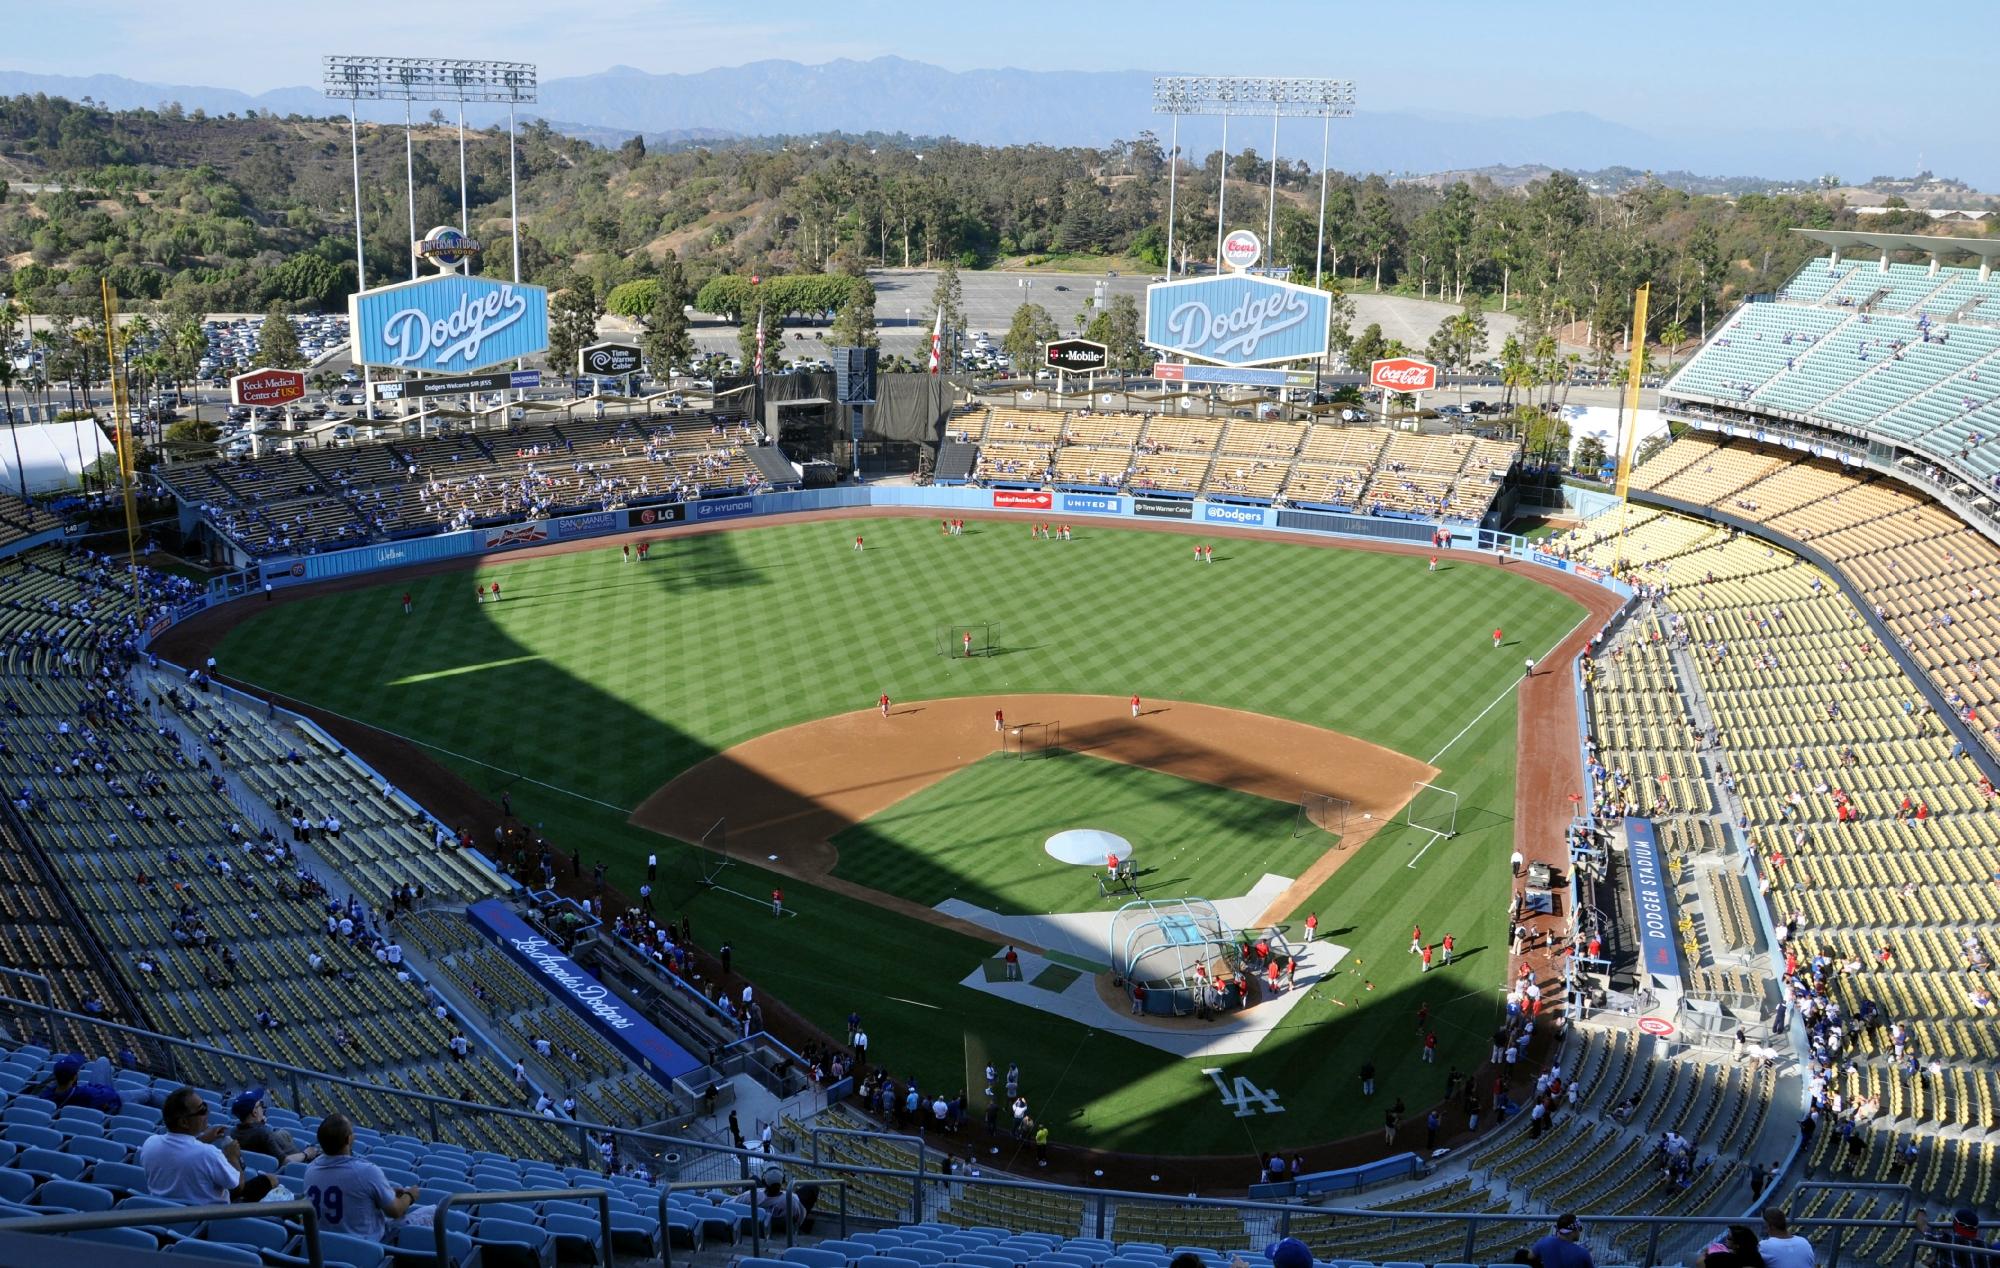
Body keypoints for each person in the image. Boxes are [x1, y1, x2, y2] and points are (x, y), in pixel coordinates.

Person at [141, 1085, 278, 1203]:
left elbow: (180, 1152)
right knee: (270, 1179)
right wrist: (233, 1157)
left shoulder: (150, 1143)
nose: (208, 1112)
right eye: (202, 1110)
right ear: (183, 1122)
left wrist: (202, 1139)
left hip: (168, 1213)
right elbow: (237, 1186)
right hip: (209, 1219)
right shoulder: (208, 1153)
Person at [303, 1113, 427, 1241]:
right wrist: (411, 1195)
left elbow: (349, 1196)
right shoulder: (366, 1171)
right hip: (365, 1246)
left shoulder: (310, 1170)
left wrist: (386, 1194)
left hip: (325, 1243)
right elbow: (395, 1211)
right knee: (434, 1212)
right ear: (348, 1140)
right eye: (352, 1132)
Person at [231, 1088, 317, 1166]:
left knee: (283, 1133)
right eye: (261, 1104)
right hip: (290, 1166)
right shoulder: (263, 1133)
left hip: (260, 1165)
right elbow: (285, 1161)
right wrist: (306, 1154)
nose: (263, 1108)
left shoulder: (233, 1133)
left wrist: (259, 1124)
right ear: (255, 1112)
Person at [34, 1053, 123, 1114]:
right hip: (109, 1102)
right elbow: (111, 1093)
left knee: (102, 1061)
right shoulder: (85, 1092)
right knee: (102, 1060)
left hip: (85, 1105)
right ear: (74, 1077)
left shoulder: (46, 1094)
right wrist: (95, 1087)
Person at [1917, 1209, 1989, 1268]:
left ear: (1955, 1224)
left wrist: (1921, 1210)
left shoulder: (1946, 1238)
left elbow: (1922, 1226)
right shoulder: (1987, 1247)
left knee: (1915, 1265)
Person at [1529, 1212, 1594, 1268]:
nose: (1580, 1231)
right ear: (1572, 1231)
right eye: (1579, 1228)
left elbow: (1530, 1256)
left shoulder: (1544, 1242)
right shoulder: (1583, 1253)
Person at [1696, 1225, 1767, 1268]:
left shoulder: (1722, 1258)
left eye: (1729, 1237)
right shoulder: (1757, 1257)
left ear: (1737, 1245)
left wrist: (1704, 1253)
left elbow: (1699, 1263)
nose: (1726, 1238)